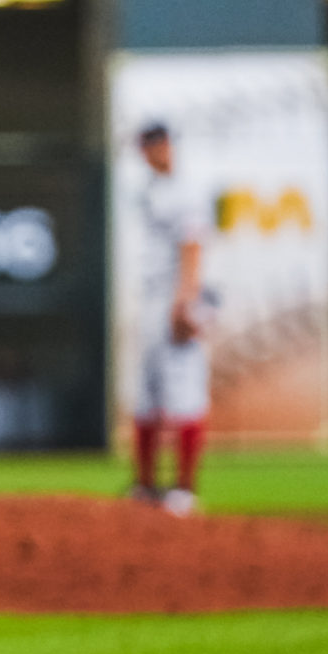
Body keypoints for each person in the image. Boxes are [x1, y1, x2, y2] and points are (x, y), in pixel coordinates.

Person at [128, 121, 210, 515]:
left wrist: (185, 302)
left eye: (154, 145)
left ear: (165, 146)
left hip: (175, 298)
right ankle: (144, 485)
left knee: (184, 393)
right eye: (145, 147)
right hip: (150, 299)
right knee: (145, 395)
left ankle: (185, 490)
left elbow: (192, 245)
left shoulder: (185, 190)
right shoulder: (149, 190)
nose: (150, 153)